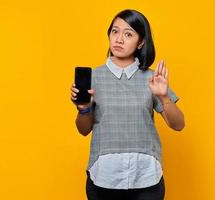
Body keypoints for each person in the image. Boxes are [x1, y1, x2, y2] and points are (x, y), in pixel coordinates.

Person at [70, 9, 185, 200]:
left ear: (140, 42)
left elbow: (178, 125)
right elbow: (83, 130)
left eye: (128, 34)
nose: (119, 39)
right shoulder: (94, 77)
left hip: (146, 176)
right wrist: (84, 109)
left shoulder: (152, 78)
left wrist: (164, 96)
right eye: (115, 31)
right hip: (104, 177)